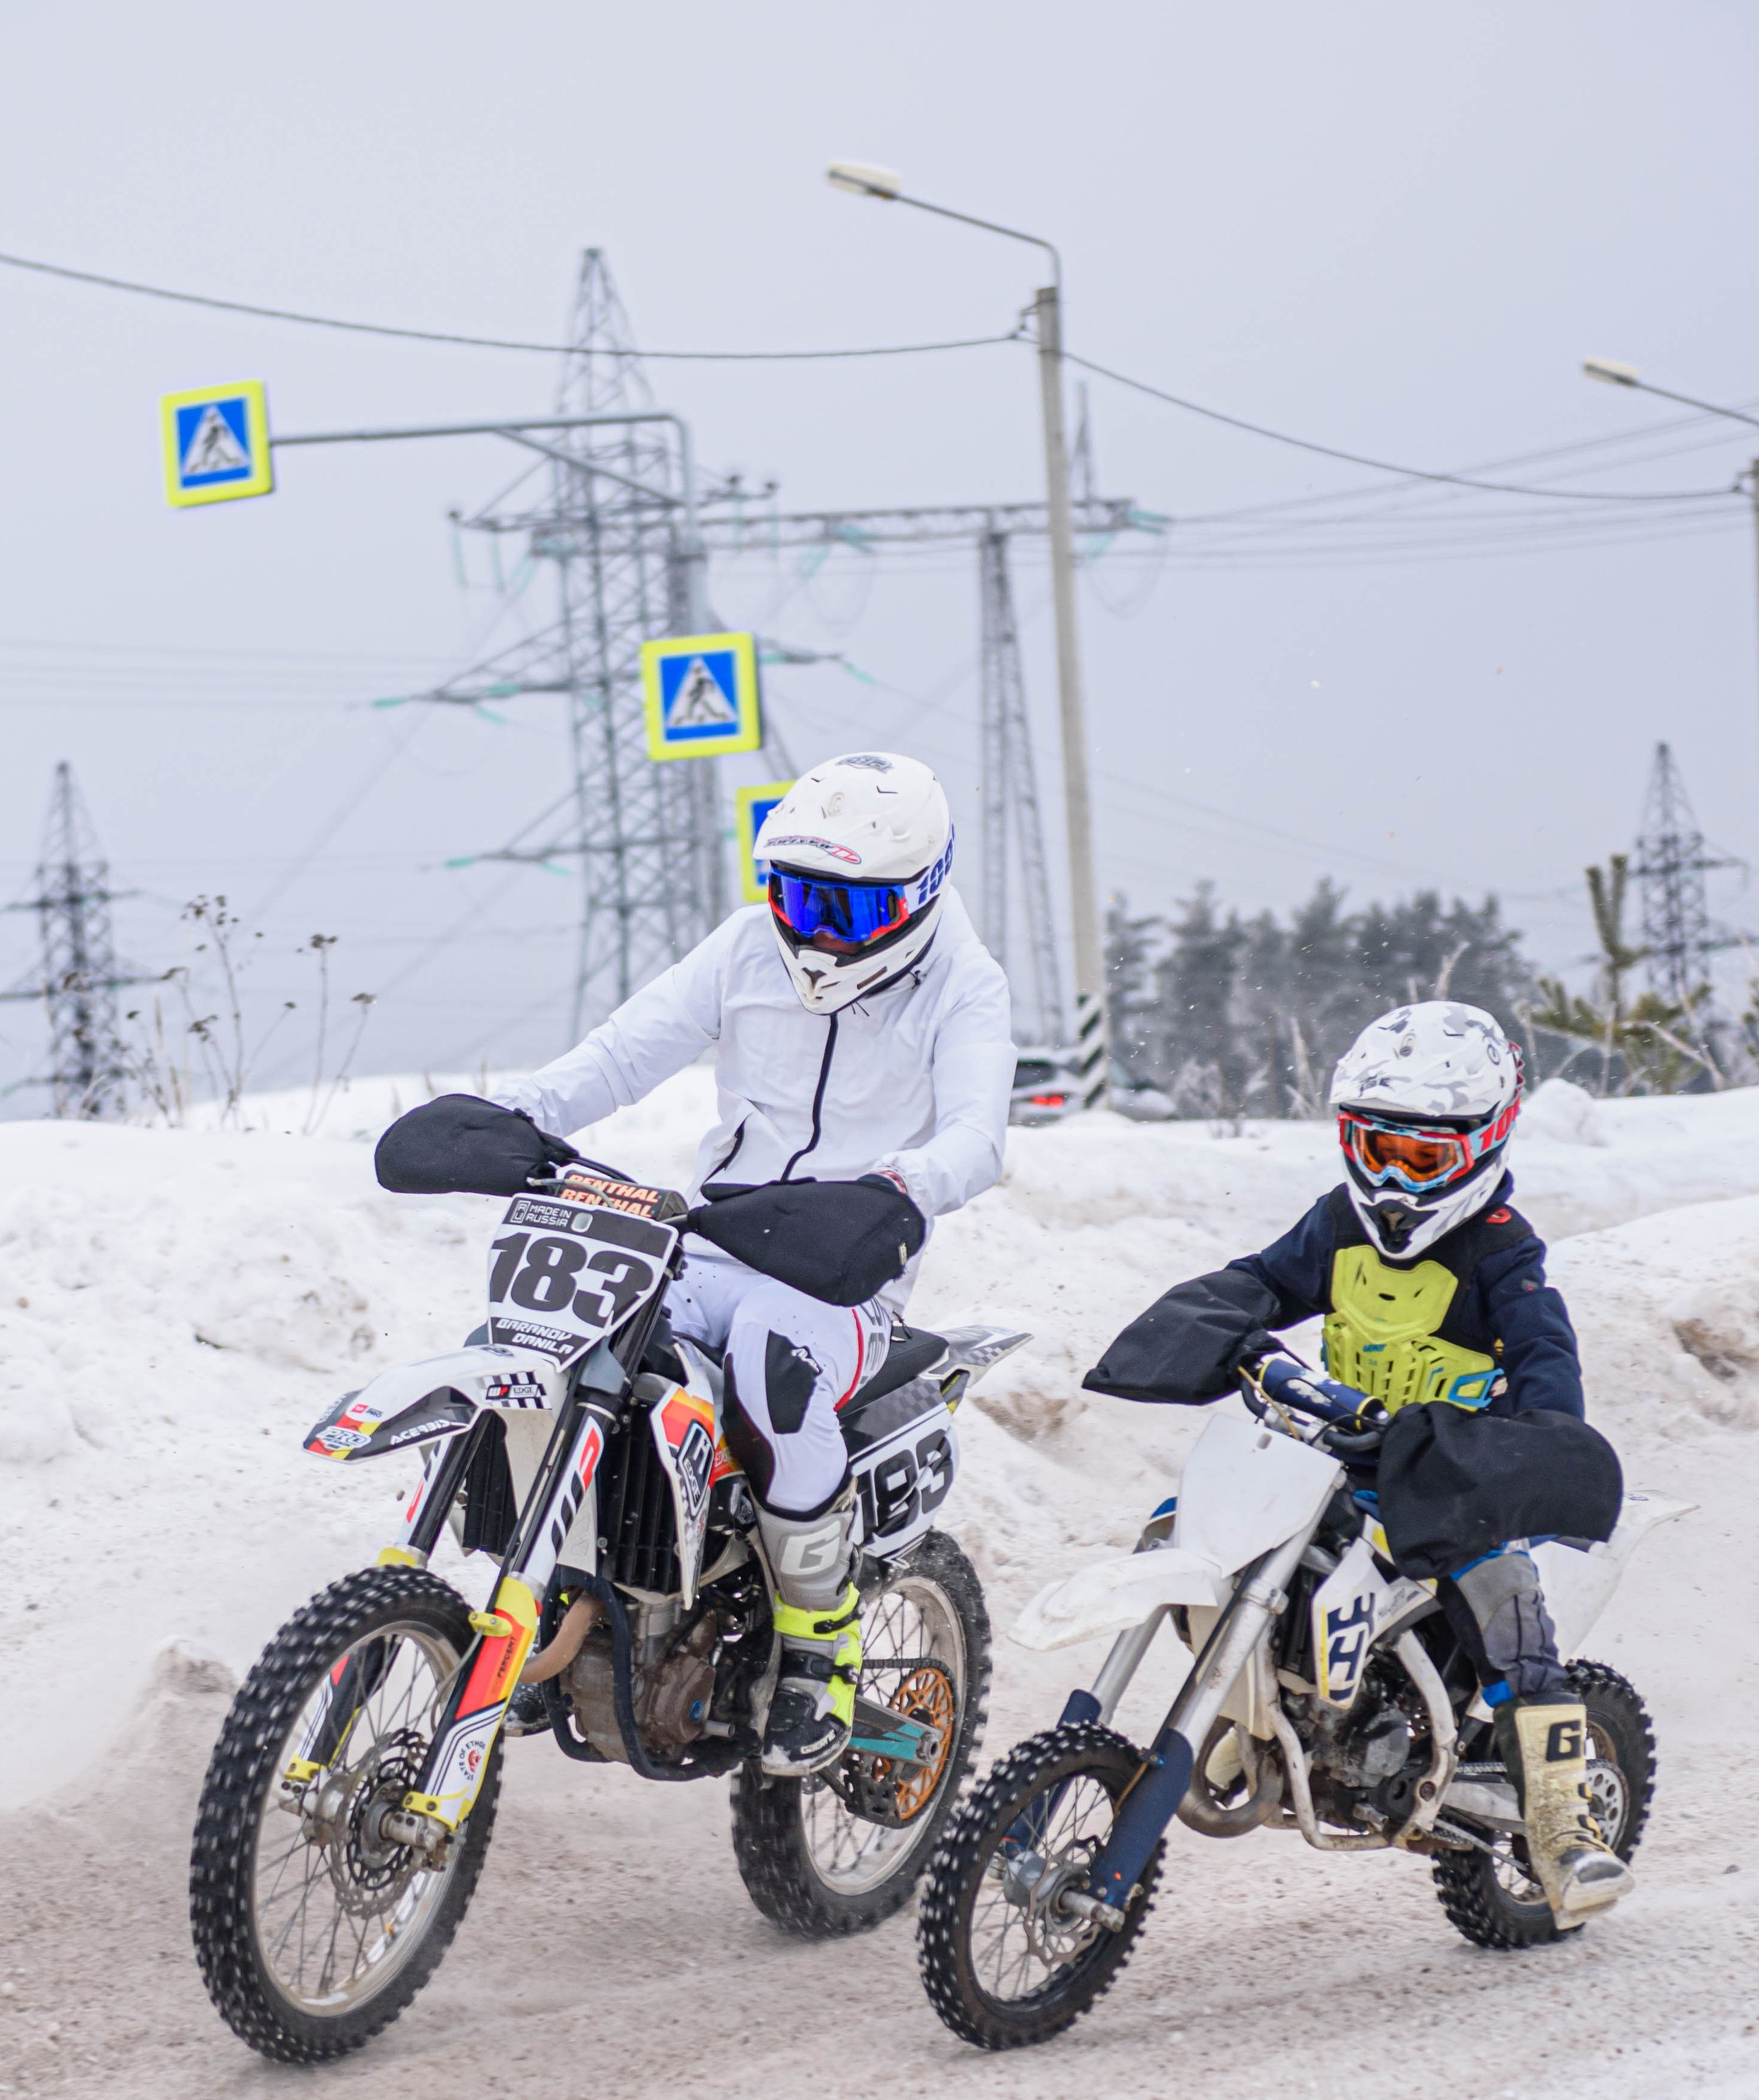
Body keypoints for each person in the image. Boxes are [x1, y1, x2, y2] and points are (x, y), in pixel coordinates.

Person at [497, 752, 1014, 1775]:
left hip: (847, 1267)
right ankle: (553, 1588)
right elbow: (619, 1056)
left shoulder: (965, 983)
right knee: (574, 1336)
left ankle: (820, 1653)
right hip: (722, 1235)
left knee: (777, 1362)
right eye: (795, 893)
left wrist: (899, 1188)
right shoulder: (745, 947)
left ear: (918, 895)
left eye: (849, 908)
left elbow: (978, 1137)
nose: (816, 927)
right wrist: (515, 1115)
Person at [1091, 1001, 1630, 1924]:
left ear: (1484, 1144)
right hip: (1332, 1463)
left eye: (1423, 1160)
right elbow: (1264, 1278)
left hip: (1453, 1487)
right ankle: (1264, 1709)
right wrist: (1227, 1322)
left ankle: (1563, 1824)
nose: (1391, 1177)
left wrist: (1528, 1436)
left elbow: (1551, 1377)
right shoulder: (1338, 1223)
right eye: (1374, 1147)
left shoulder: (1504, 1256)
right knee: (1185, 1527)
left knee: (1508, 1610)